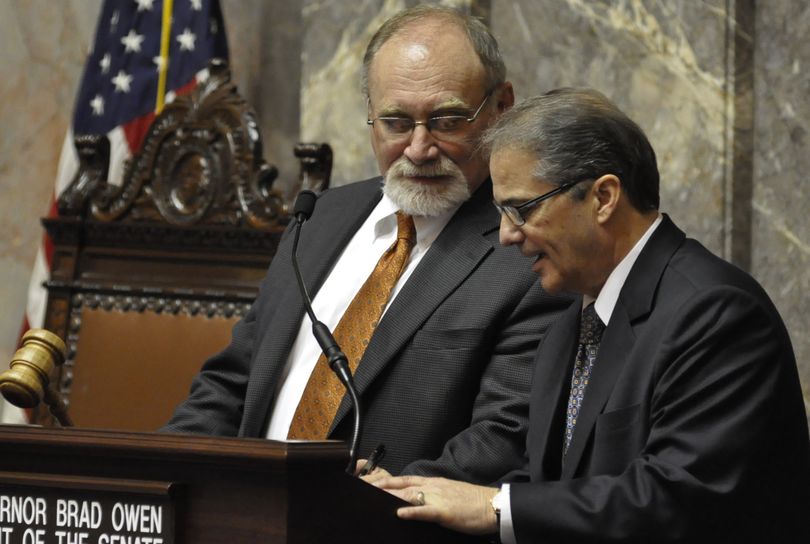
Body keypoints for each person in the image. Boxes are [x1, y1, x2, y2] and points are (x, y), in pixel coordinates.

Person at [374, 88, 810, 542]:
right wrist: (421, 495)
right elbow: (558, 488)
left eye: (520, 209)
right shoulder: (569, 325)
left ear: (603, 197)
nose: (506, 235)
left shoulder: (716, 313)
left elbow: (674, 498)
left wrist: (492, 506)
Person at [164, 6, 570, 482]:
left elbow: (503, 437)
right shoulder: (318, 217)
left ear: (502, 108)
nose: (419, 148)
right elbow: (232, 382)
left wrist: (369, 503)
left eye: (446, 120)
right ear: (370, 116)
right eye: (396, 123)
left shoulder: (529, 253)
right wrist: (161, 479)